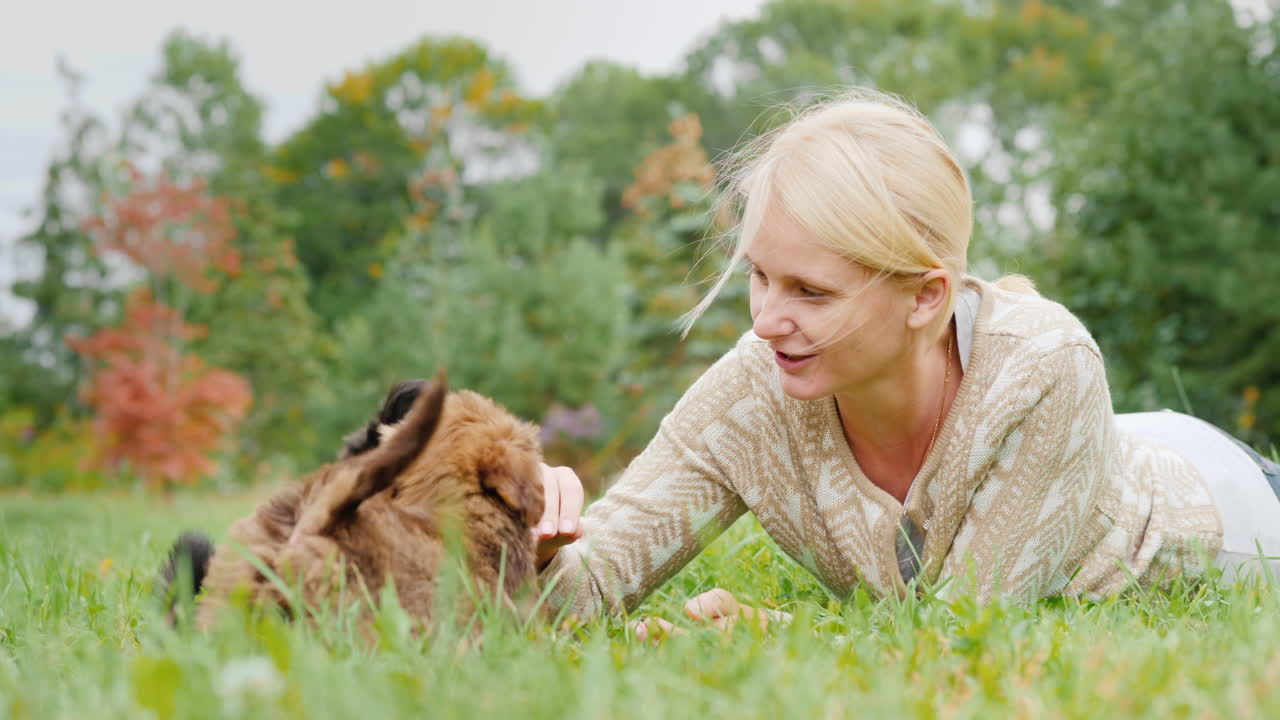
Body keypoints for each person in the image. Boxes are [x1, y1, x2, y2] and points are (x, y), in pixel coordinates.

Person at [529, 89, 1280, 633]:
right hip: (1121, 440)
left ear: (925, 298)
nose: (764, 321)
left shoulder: (1047, 366)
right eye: (759, 275)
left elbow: (961, 637)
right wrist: (518, 536)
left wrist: (775, 626)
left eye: (810, 292)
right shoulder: (754, 390)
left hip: (1236, 507)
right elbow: (584, 593)